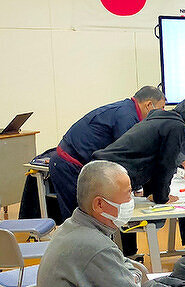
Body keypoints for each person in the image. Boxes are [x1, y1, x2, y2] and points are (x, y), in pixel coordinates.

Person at [50, 86, 165, 221]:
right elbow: (128, 156)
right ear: (149, 105)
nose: (163, 112)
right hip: (69, 165)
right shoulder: (126, 117)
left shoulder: (128, 111)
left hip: (80, 163)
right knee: (80, 220)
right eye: (161, 107)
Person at [93, 96, 185, 204]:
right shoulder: (177, 127)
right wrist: (162, 197)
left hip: (102, 168)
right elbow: (167, 164)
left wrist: (150, 193)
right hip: (114, 175)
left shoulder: (159, 117)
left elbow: (152, 157)